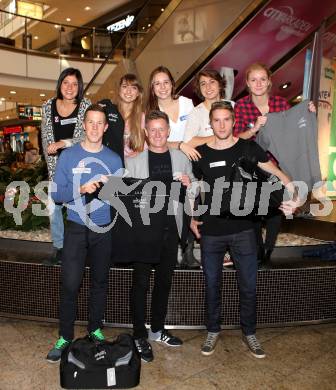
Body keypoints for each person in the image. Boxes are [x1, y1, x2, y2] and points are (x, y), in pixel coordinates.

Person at [190, 101, 299, 358]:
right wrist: (193, 217)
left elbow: (278, 174)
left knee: (249, 285)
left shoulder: (248, 148)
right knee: (211, 284)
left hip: (244, 231)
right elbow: (199, 189)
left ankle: (249, 332)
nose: (221, 125)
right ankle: (213, 329)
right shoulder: (202, 153)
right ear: (211, 123)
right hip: (212, 232)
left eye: (226, 119)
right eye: (216, 120)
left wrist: (295, 198)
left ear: (234, 121)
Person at [46, 104, 123, 363]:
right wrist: (80, 188)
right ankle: (65, 335)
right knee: (69, 283)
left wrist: (110, 190)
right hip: (76, 227)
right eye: (89, 122)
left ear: (105, 127)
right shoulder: (69, 156)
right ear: (84, 125)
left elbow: (118, 197)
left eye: (99, 122)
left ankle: (95, 328)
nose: (94, 127)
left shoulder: (114, 159)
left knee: (100, 282)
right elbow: (56, 194)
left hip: (103, 229)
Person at [125, 110, 195, 363]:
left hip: (170, 229)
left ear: (168, 131)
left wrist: (190, 184)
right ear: (146, 132)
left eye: (161, 129)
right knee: (140, 284)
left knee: (164, 282)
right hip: (144, 232)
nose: (156, 134)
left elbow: (195, 190)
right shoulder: (133, 162)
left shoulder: (180, 158)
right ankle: (138, 334)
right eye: (152, 129)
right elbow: (127, 199)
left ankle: (157, 329)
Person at [233, 62, 315, 264]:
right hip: (251, 166)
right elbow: (236, 140)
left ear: (269, 82)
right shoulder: (242, 106)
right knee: (252, 210)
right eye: (254, 80)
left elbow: (295, 130)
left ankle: (268, 248)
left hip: (277, 166)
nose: (258, 83)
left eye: (263, 79)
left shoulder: (281, 104)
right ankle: (258, 250)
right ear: (248, 84)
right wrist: (254, 129)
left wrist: (309, 112)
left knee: (277, 206)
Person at [183, 69, 235, 266]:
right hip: (206, 168)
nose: (208, 87)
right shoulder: (196, 112)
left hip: (230, 167)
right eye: (203, 84)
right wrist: (217, 137)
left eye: (212, 82)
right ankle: (201, 252)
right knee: (204, 209)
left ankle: (230, 251)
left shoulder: (232, 106)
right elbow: (189, 140)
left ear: (220, 84)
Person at [147, 66, 197, 267]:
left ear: (172, 83)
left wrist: (186, 145)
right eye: (157, 83)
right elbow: (155, 140)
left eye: (166, 82)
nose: (162, 87)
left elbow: (195, 133)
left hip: (189, 159)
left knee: (191, 203)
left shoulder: (186, 103)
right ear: (152, 88)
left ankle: (189, 249)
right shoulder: (152, 112)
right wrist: (180, 144)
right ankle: (172, 249)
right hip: (165, 161)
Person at [41, 67, 91, 265]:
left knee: (79, 206)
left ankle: (81, 247)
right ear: (60, 84)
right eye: (66, 83)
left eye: (74, 84)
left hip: (79, 164)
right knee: (53, 207)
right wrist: (52, 167)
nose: (70, 88)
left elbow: (87, 136)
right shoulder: (48, 107)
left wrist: (63, 143)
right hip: (56, 166)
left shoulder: (86, 106)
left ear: (79, 87)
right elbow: (46, 139)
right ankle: (59, 247)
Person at [117, 73, 146, 158]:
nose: (128, 91)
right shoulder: (111, 113)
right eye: (125, 86)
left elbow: (147, 143)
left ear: (138, 93)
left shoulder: (142, 117)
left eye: (134, 88)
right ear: (119, 90)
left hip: (133, 163)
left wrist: (140, 153)